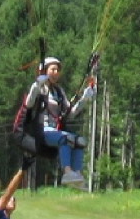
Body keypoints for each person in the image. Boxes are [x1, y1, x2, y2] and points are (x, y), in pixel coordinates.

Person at [17, 56, 96, 186]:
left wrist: (84, 99)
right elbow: (29, 103)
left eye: (57, 70)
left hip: (54, 131)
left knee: (80, 141)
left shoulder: (58, 92)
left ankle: (77, 175)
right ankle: (67, 172)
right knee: (65, 138)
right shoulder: (39, 88)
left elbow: (70, 113)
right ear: (44, 71)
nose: (56, 73)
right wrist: (37, 85)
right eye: (52, 70)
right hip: (41, 131)